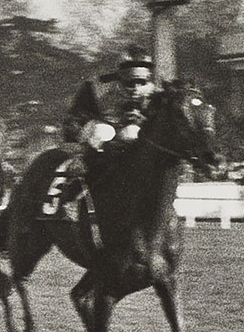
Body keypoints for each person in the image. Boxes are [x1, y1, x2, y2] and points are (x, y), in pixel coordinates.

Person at [43, 46, 158, 217]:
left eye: (141, 83)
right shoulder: (97, 88)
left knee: (135, 132)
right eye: (130, 83)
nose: (135, 88)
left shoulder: (155, 93)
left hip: (127, 135)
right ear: (120, 78)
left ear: (148, 79)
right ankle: (72, 191)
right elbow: (75, 117)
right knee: (105, 131)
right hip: (90, 129)